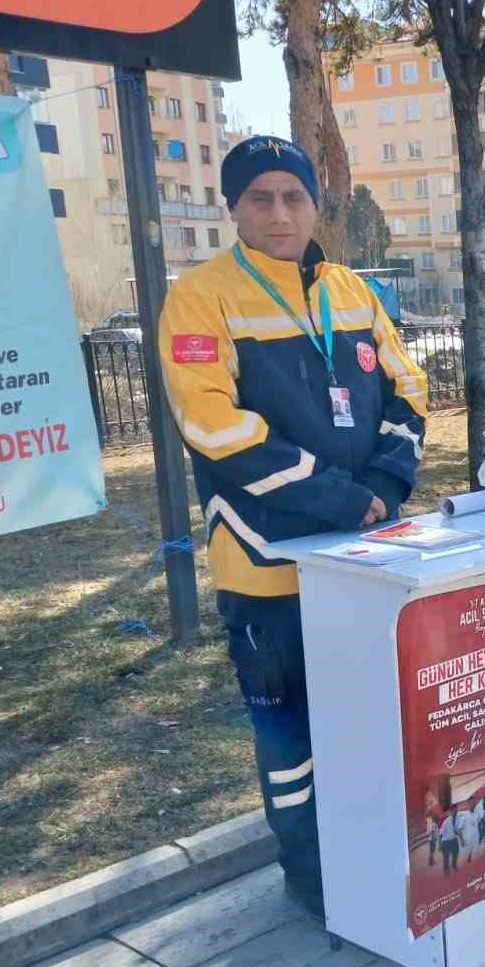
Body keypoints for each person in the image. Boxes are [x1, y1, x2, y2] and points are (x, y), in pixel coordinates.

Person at [159, 135, 429, 918]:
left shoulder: (351, 290)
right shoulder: (201, 294)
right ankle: (308, 867)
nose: (280, 214)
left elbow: (408, 385)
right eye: (260, 198)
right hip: (266, 562)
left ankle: (373, 842)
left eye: (294, 197)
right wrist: (335, 496)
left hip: (367, 556)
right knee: (288, 733)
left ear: (316, 205)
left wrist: (383, 481)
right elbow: (210, 423)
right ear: (233, 208)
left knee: (371, 713)